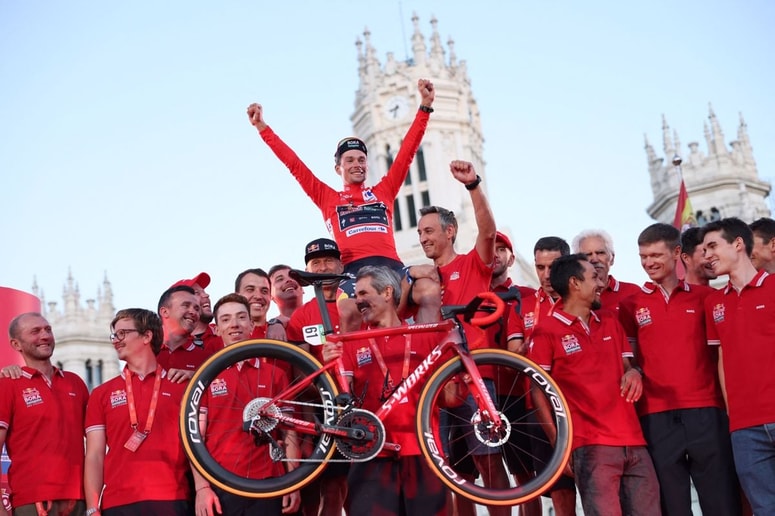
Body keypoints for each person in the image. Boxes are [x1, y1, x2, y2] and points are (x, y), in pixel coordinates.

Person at [402, 160, 507, 516]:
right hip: (436, 383)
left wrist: (473, 185)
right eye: (420, 233)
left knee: (489, 464)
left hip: (475, 376)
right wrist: (405, 274)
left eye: (430, 231)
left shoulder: (474, 263)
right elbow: (394, 313)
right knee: (454, 473)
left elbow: (489, 234)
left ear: (450, 231)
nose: (423, 238)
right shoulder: (420, 280)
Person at [246, 79, 434, 275]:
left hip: (392, 267)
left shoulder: (384, 191)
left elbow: (407, 152)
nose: (357, 165)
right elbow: (294, 165)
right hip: (354, 273)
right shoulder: (327, 198)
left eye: (361, 160)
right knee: (347, 305)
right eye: (350, 160)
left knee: (429, 278)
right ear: (338, 169)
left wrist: (425, 107)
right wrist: (262, 127)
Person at [619, 223, 740, 515]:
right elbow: (627, 359)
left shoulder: (705, 299)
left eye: (656, 255)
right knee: (672, 506)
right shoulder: (630, 305)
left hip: (707, 413)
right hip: (656, 416)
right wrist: (631, 370)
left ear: (676, 253)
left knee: (721, 501)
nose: (649, 263)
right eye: (643, 257)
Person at [529, 254, 660, 515]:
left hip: (634, 442)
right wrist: (560, 447)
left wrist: (636, 373)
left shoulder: (610, 320)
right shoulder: (546, 330)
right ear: (575, 283)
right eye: (593, 278)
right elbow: (538, 392)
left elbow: (629, 368)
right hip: (590, 447)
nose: (600, 283)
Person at [321, 266, 447, 515]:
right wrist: (328, 368)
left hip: (424, 453)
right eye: (355, 296)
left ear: (388, 292)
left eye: (363, 293)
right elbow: (339, 404)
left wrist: (461, 378)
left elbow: (451, 399)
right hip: (371, 455)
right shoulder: (351, 343)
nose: (358, 302)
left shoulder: (426, 337)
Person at [192, 294, 300, 516]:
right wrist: (202, 488)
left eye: (242, 317)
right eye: (226, 319)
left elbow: (290, 432)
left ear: (252, 325)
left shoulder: (275, 375)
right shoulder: (204, 378)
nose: (234, 324)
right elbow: (195, 438)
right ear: (216, 328)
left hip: (270, 482)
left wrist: (293, 481)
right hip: (221, 482)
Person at [84, 308, 192, 515]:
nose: (116, 340)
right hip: (118, 502)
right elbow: (95, 455)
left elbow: (197, 445)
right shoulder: (101, 394)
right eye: (114, 335)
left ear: (147, 336)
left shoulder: (181, 386)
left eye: (122, 333)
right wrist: (92, 507)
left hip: (173, 498)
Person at [700, 217, 775, 514]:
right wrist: (734, 415)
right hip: (744, 428)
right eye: (704, 250)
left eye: (712, 246)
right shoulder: (713, 303)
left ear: (739, 244)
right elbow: (721, 360)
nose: (706, 255)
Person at [510, 236, 576, 516]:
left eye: (553, 266)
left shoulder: (582, 299)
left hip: (580, 408)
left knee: (598, 487)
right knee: (559, 492)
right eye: (540, 267)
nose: (547, 275)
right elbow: (514, 354)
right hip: (539, 411)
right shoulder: (523, 303)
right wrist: (528, 350)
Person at [0, 313, 88, 516]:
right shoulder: (8, 384)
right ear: (16, 344)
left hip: (79, 500)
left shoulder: (75, 382)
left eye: (48, 329)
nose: (45, 335)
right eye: (35, 331)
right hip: (32, 501)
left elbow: (98, 440)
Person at [285, 239, 349, 516]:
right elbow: (300, 373)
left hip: (364, 402)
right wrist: (322, 391)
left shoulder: (359, 303)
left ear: (341, 265)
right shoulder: (301, 316)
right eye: (315, 263)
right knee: (331, 487)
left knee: (357, 485)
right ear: (307, 270)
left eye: (328, 261)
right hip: (324, 407)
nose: (322, 267)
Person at [488, 232, 540, 516]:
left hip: (519, 394)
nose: (495, 254)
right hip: (482, 394)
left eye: (502, 249)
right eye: (491, 249)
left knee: (525, 474)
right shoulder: (471, 297)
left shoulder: (528, 295)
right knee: (482, 474)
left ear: (511, 257)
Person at [572, 229, 640, 312]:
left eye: (600, 253)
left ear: (612, 259)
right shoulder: (571, 298)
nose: (595, 259)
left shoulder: (633, 292)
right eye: (588, 255)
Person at [156, 285, 211, 382]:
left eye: (197, 309)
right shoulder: (146, 354)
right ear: (164, 312)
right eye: (186, 305)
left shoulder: (208, 360)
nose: (193, 312)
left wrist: (198, 377)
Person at [169, 271, 222, 352]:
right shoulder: (165, 347)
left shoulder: (223, 332)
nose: (206, 295)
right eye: (196, 293)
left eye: (204, 291)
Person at [235, 268, 284, 339]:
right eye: (250, 290)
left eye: (264, 291)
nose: (258, 296)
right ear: (236, 296)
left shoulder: (285, 331)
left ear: (270, 296)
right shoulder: (219, 333)